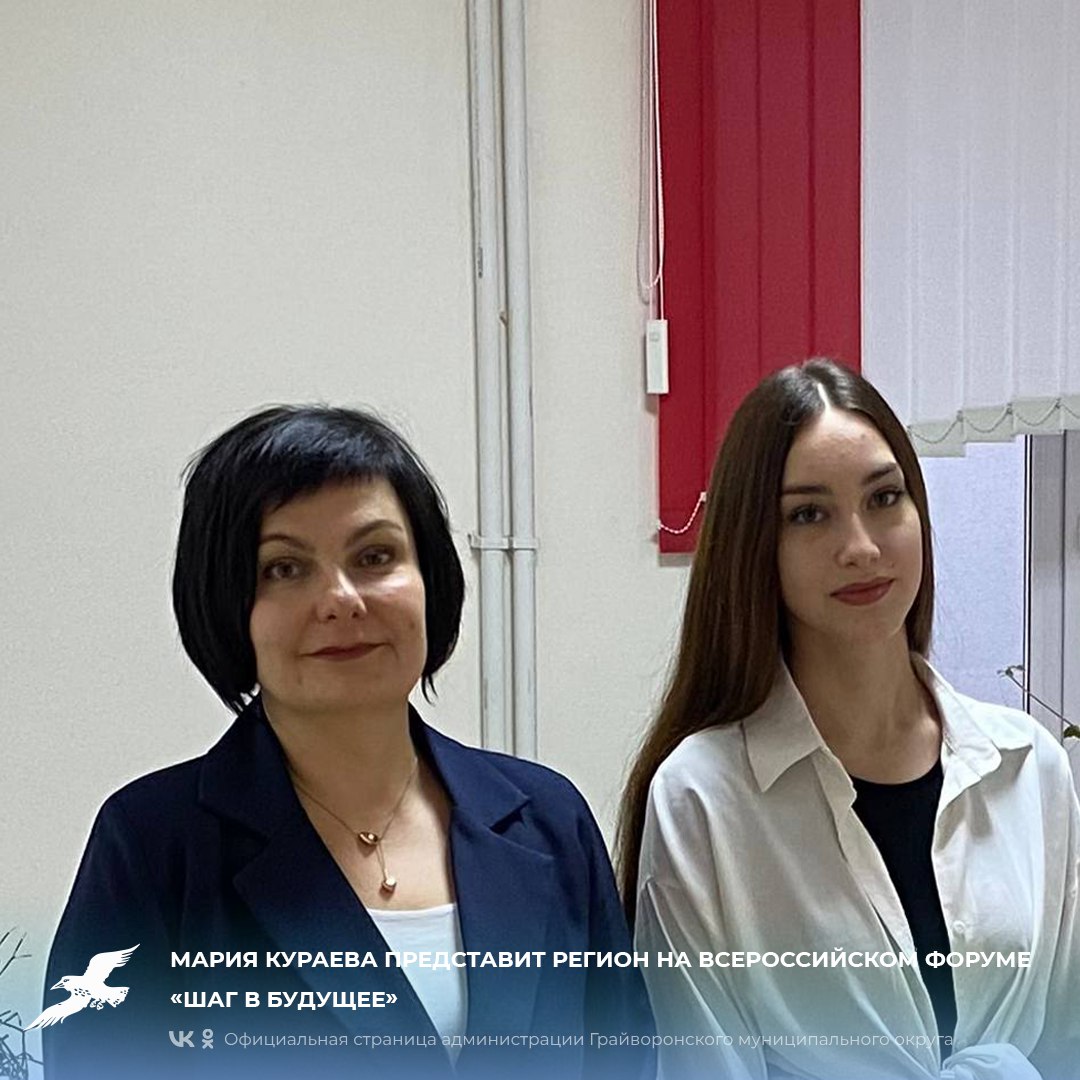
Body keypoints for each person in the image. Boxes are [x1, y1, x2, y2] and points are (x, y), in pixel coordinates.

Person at [43, 405, 653, 1080]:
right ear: (227, 603)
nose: (340, 599)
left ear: (431, 579)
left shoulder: (547, 819)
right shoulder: (153, 843)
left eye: (374, 557)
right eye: (284, 568)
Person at [618, 359, 1079, 1080]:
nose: (861, 547)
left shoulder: (1029, 767)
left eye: (884, 497)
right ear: (754, 546)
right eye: (809, 514)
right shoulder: (702, 797)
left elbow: (1063, 1040)